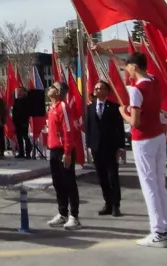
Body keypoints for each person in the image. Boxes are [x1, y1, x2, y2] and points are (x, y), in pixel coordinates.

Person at [120, 52, 167, 248]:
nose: (126, 70)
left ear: (134, 67)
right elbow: (133, 66)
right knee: (160, 184)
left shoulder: (136, 90)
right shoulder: (154, 81)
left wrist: (123, 114)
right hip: (158, 137)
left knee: (149, 186)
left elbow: (135, 121)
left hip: (143, 140)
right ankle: (166, 229)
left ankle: (158, 232)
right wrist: (108, 54)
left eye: (128, 67)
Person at [85, 80, 125, 216]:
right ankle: (107, 204)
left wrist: (120, 147)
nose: (97, 90)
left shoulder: (114, 107)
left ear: (107, 92)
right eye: (96, 88)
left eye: (100, 88)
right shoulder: (90, 108)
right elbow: (88, 128)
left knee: (112, 177)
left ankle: (115, 205)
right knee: (102, 178)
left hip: (111, 148)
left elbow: (119, 129)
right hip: (96, 148)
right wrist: (89, 146)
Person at [45, 83, 81, 230]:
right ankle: (63, 213)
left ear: (59, 92)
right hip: (53, 150)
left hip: (63, 151)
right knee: (57, 183)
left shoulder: (63, 107)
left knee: (69, 183)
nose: (50, 88)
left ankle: (74, 216)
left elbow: (68, 129)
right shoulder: (51, 108)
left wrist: (67, 152)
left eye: (53, 86)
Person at [12, 86, 31, 159]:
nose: (19, 93)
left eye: (21, 91)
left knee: (25, 137)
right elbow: (14, 111)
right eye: (18, 91)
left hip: (24, 121)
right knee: (19, 137)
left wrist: (27, 93)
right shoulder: (16, 101)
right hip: (17, 121)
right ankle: (21, 152)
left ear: (24, 92)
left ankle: (28, 153)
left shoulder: (27, 100)